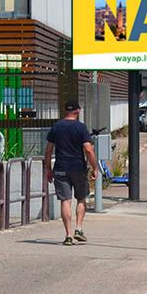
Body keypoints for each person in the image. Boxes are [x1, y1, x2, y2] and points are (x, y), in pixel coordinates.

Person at [44, 100, 99, 246]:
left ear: (65, 110)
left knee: (65, 200)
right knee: (81, 198)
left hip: (61, 168)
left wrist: (48, 169)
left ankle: (68, 235)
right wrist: (95, 168)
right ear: (78, 111)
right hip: (78, 168)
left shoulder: (56, 127)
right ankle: (78, 229)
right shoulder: (80, 128)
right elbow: (88, 149)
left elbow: (48, 150)